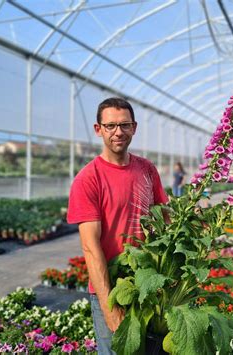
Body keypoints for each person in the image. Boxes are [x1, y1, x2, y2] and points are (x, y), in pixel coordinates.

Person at [67, 97, 168, 354]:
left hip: (148, 283)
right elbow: (90, 247)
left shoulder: (147, 169)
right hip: (112, 290)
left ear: (134, 127)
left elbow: (164, 219)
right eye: (110, 126)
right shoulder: (89, 179)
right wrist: (109, 306)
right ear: (98, 129)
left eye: (124, 125)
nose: (118, 132)